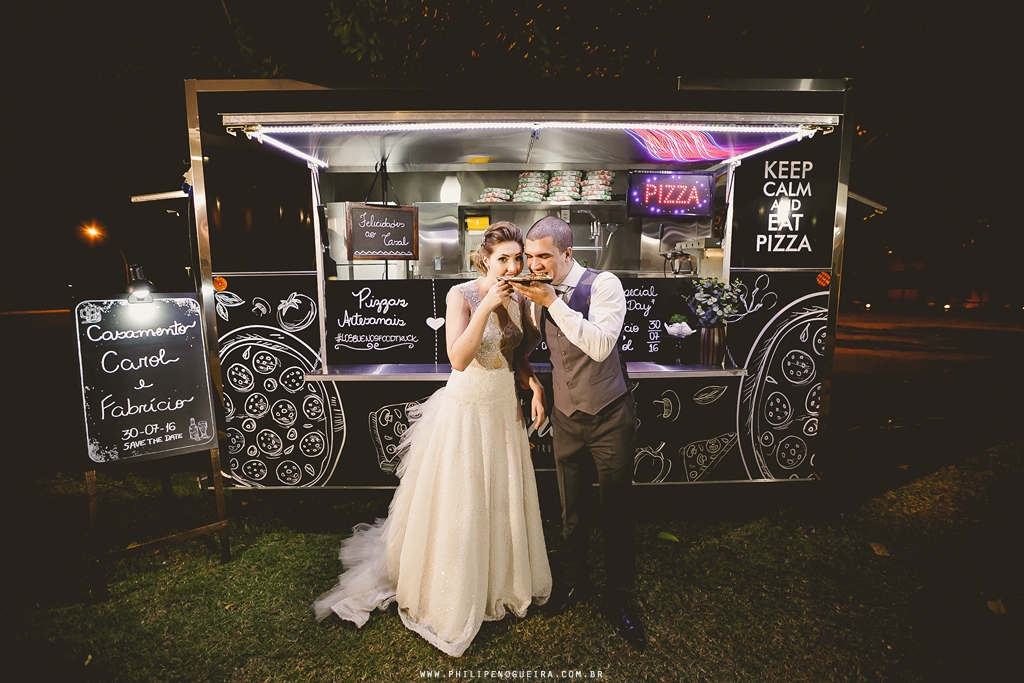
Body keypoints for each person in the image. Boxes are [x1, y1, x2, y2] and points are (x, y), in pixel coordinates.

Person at [313, 222, 552, 657]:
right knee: (463, 500)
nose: (513, 266)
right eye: (504, 259)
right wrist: (486, 307)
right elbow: (459, 358)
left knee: (500, 495)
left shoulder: (521, 297)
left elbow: (514, 354)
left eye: (518, 258)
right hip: (466, 410)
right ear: (485, 259)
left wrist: (532, 384)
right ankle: (454, 589)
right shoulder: (461, 295)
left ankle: (500, 580)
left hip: (502, 410)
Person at [510, 216, 646, 650]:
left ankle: (619, 597)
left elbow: (601, 345)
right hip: (566, 414)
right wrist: (522, 374)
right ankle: (573, 584)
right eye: (530, 257)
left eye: (544, 256)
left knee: (617, 509)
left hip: (609, 413)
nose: (535, 264)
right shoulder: (537, 295)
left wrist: (553, 303)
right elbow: (528, 344)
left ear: (568, 253)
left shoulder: (604, 286)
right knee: (571, 508)